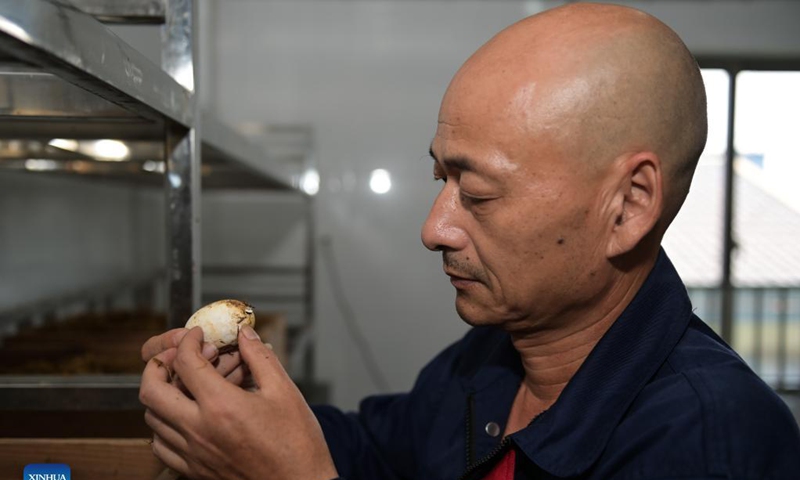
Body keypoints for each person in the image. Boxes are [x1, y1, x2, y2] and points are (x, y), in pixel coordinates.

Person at [138, 3, 800, 479]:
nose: (434, 229)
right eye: (441, 178)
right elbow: (376, 453)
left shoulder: (712, 440)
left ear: (627, 206)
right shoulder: (487, 362)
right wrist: (248, 413)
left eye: (479, 194)